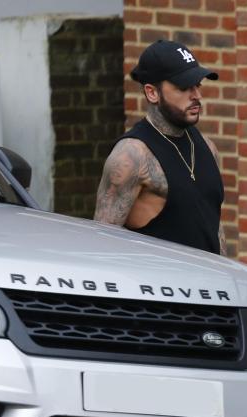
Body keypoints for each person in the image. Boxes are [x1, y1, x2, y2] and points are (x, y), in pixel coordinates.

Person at [94, 39, 226, 255]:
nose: (197, 96)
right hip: (160, 285)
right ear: (152, 93)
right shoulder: (131, 156)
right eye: (184, 87)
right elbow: (102, 245)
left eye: (198, 85)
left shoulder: (207, 148)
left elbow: (214, 227)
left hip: (208, 285)